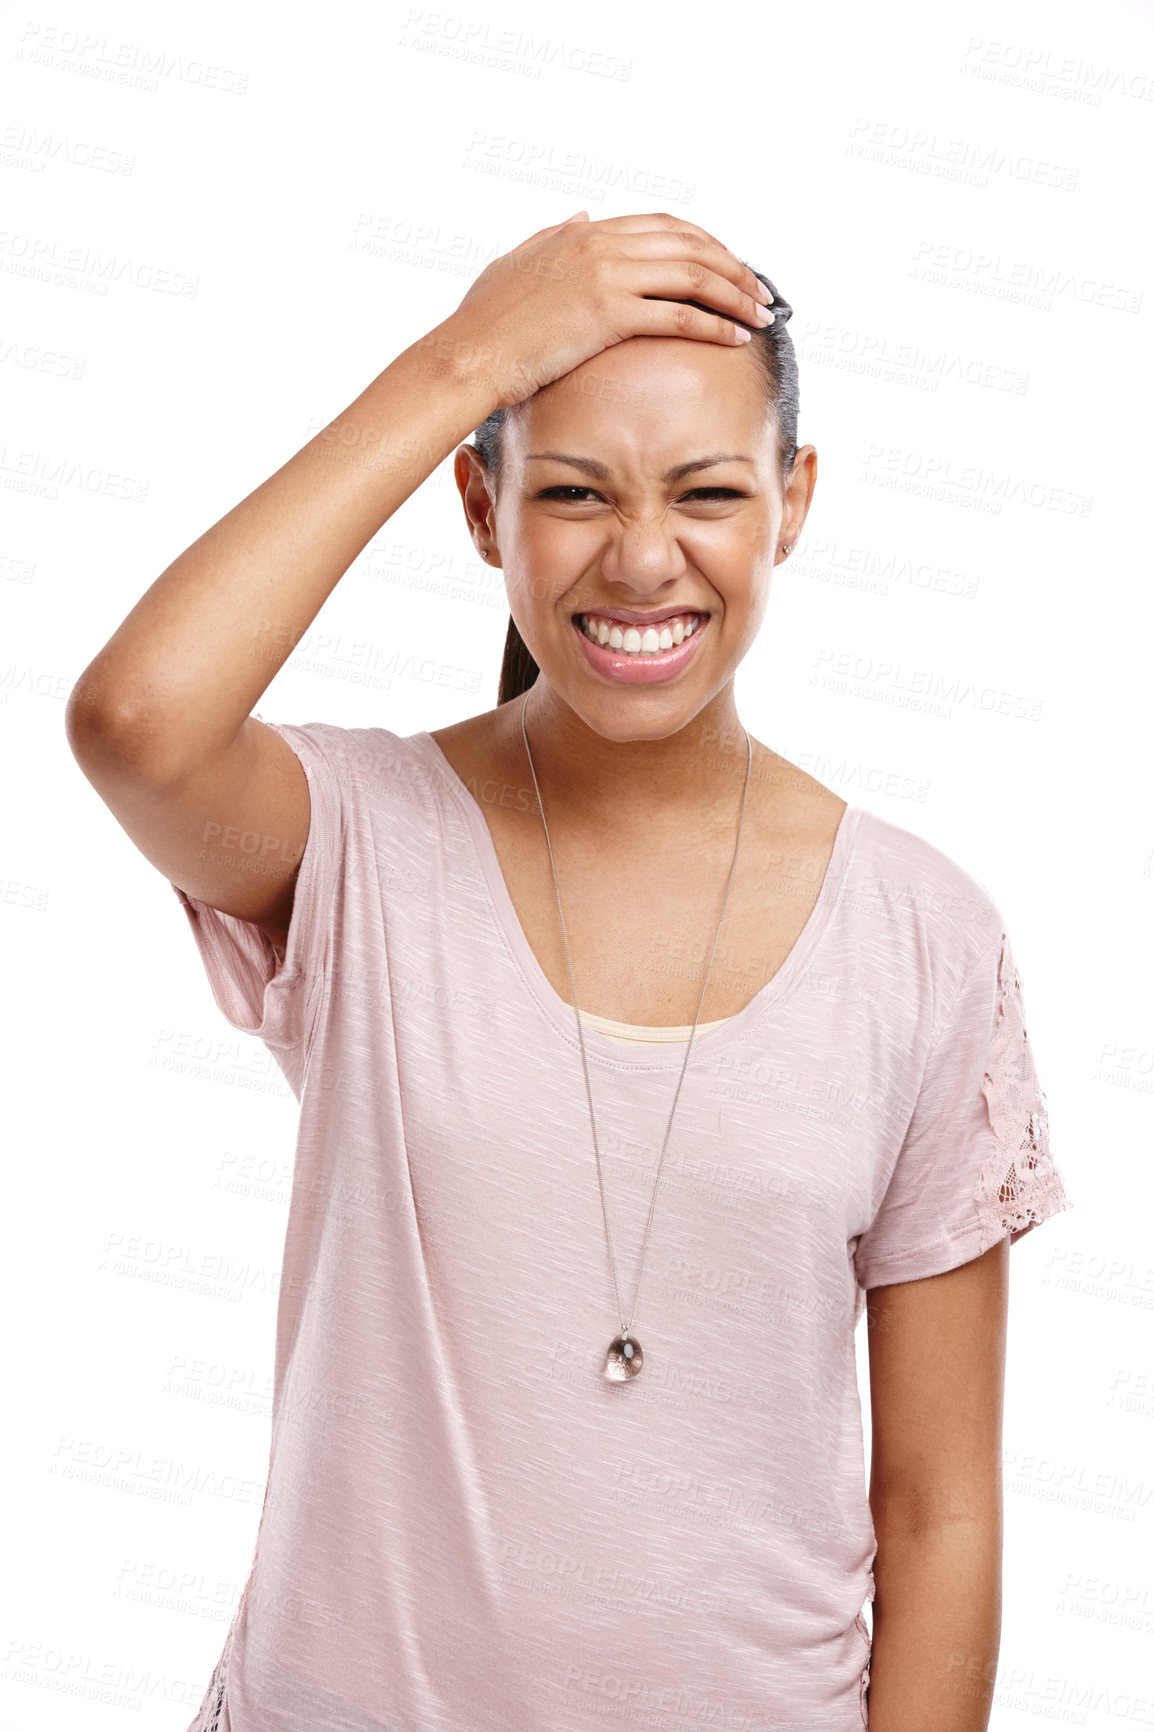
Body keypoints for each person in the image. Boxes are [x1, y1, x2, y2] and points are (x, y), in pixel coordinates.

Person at [65, 210, 1073, 1732]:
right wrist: (463, 359)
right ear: (484, 508)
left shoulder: (922, 936)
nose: (643, 558)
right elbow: (137, 720)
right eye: (575, 493)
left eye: (709, 492)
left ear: (791, 504)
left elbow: (937, 1509)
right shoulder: (355, 844)